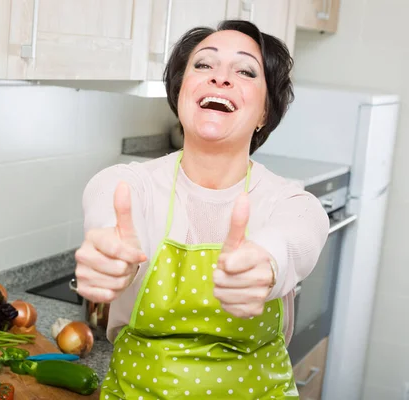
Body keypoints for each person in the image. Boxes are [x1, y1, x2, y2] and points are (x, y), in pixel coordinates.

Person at [73, 20, 329, 399]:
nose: (220, 78)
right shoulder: (132, 184)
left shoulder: (292, 204)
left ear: (264, 114)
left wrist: (266, 265)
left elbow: (294, 239)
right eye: (203, 65)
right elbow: (107, 201)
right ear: (180, 94)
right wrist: (110, 243)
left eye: (244, 71)